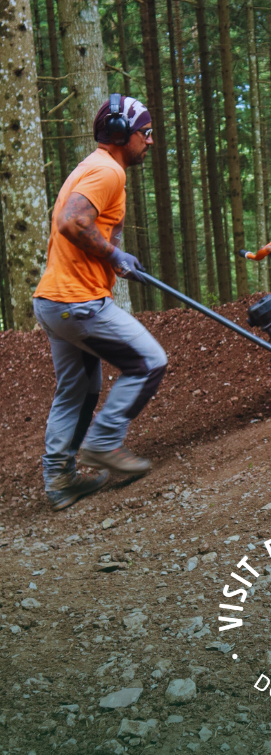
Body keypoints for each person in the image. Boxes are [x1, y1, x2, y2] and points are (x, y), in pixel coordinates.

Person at [33, 95, 168, 511]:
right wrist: (112, 256)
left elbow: (90, 226)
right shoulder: (107, 170)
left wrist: (114, 255)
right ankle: (104, 444)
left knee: (79, 390)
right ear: (121, 134)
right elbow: (72, 222)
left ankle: (59, 480)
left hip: (54, 302)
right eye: (145, 133)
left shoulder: (93, 167)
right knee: (148, 362)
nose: (150, 142)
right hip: (79, 303)